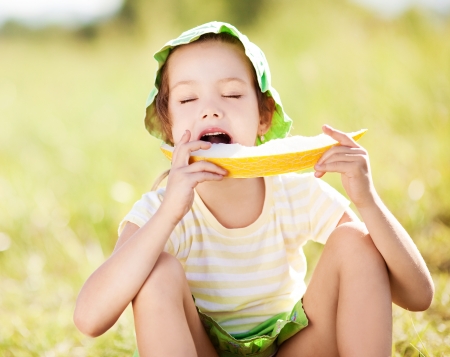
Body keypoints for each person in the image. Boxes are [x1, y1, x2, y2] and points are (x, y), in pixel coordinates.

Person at [74, 22, 434, 357]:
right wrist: (168, 215)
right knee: (155, 270)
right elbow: (90, 319)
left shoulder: (294, 192)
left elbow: (418, 296)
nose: (211, 111)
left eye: (231, 94)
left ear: (263, 116)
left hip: (293, 348)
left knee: (356, 239)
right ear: (169, 126)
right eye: (188, 100)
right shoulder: (160, 209)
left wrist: (367, 201)